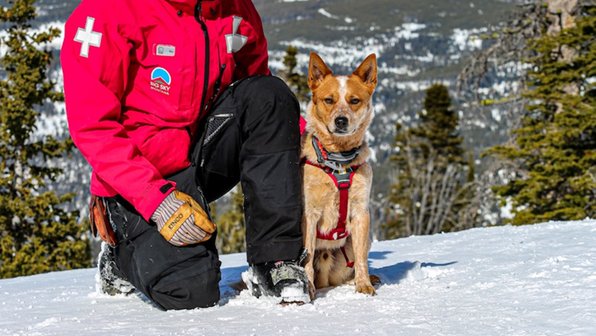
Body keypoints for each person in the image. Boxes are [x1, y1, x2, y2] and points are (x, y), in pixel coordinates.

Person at [61, 0, 308, 310]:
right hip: (139, 176)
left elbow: (255, 91)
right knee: (189, 293)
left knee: (271, 96)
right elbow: (93, 127)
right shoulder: (109, 11)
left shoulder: (234, 8)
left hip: (200, 155)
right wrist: (154, 198)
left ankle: (275, 259)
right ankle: (120, 256)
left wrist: (303, 143)